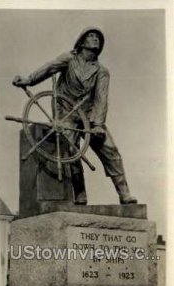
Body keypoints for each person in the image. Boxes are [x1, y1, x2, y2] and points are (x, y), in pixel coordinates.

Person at [13, 27, 137, 205]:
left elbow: (102, 99)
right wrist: (29, 80)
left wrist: (98, 125)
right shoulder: (69, 59)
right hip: (66, 112)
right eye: (91, 36)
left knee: (111, 151)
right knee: (71, 151)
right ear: (82, 42)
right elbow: (48, 68)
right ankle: (80, 193)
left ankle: (124, 193)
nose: (95, 39)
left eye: (98, 38)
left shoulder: (102, 71)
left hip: (89, 116)